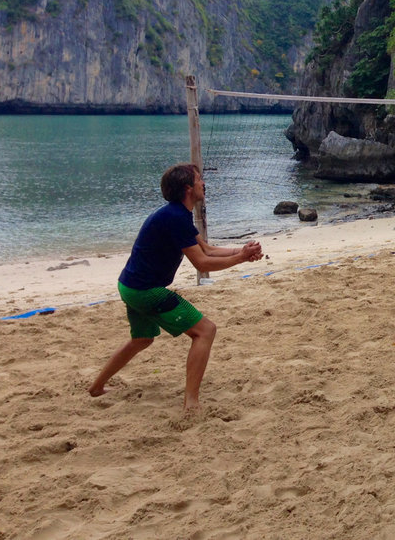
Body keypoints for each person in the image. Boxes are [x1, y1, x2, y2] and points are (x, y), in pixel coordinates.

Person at [88, 163, 264, 412]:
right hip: (146, 290)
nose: (204, 183)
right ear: (188, 188)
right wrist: (241, 259)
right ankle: (191, 403)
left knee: (142, 339)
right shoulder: (175, 217)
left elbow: (207, 249)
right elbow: (202, 262)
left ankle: (97, 388)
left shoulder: (175, 214)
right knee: (205, 331)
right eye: (199, 179)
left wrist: (242, 251)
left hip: (128, 285)